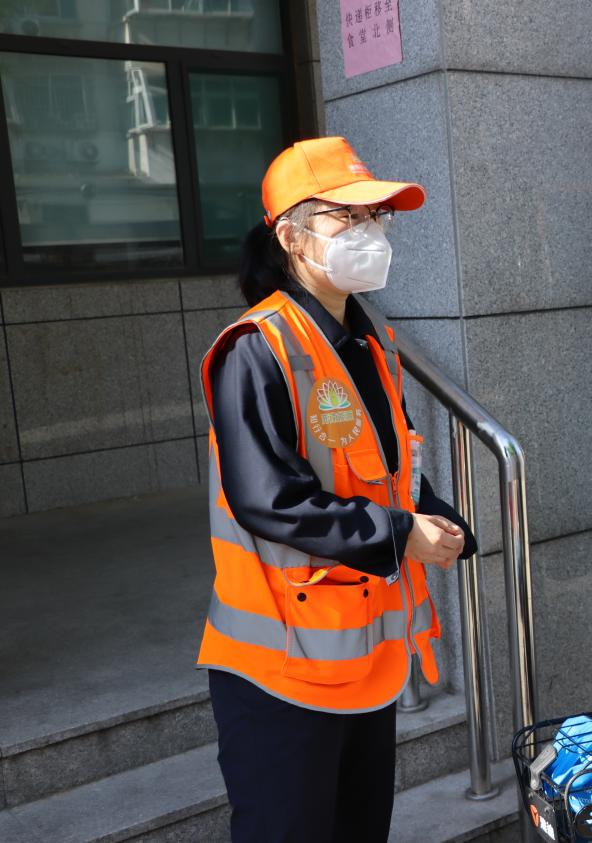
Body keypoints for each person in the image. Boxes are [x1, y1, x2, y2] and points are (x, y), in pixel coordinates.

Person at [197, 136, 475, 842]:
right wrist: (399, 535)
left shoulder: (368, 341)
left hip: (360, 663)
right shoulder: (257, 346)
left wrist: (433, 516)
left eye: (376, 217)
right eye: (346, 217)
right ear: (290, 237)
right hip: (279, 671)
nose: (369, 232)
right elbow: (269, 498)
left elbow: (390, 466)